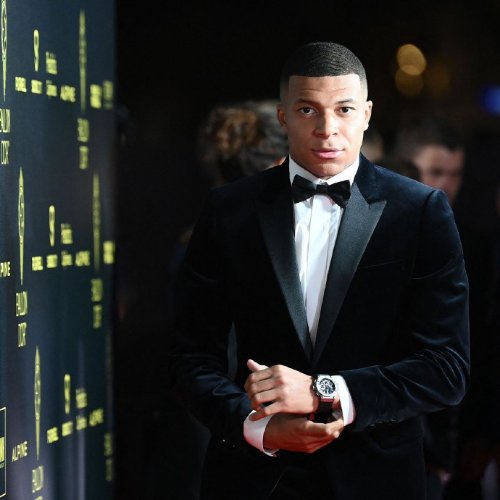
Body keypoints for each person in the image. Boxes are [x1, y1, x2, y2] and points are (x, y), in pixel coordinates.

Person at [167, 41, 470, 500]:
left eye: (344, 109)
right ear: (284, 116)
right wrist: (257, 426)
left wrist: (324, 392)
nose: (328, 130)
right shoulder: (229, 210)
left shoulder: (420, 211)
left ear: (366, 114)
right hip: (253, 478)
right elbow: (189, 358)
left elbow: (446, 367)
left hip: (377, 479)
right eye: (308, 110)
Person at [392, 116, 499, 500]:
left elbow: (483, 341)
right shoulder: (379, 237)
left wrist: (484, 432)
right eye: (436, 172)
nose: (446, 185)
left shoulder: (475, 244)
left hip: (459, 424)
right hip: (392, 419)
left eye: (455, 174)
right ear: (406, 168)